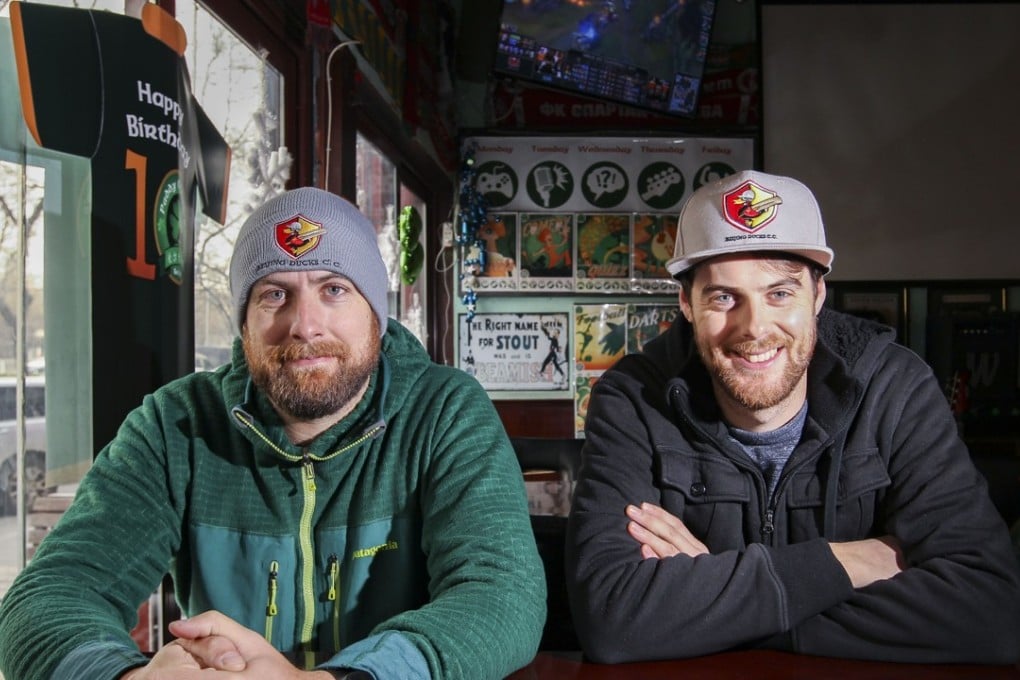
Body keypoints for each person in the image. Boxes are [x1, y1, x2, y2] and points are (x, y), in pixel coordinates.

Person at [0, 187, 546, 680]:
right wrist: (128, 679)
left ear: (376, 312)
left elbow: (502, 594)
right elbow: (47, 597)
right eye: (274, 294)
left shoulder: (444, 411)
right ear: (244, 324)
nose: (304, 324)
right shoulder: (176, 426)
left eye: (333, 289)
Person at [565, 170, 1020, 664]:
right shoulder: (633, 398)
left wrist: (718, 604)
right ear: (686, 304)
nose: (755, 327)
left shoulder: (896, 389)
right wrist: (847, 562)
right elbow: (612, 619)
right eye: (723, 297)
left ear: (818, 296)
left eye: (780, 293)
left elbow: (991, 614)